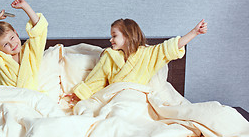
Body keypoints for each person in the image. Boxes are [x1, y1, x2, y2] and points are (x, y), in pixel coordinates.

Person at [71, 18, 208, 101]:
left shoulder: (147, 55)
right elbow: (96, 79)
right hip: (115, 100)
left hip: (137, 100)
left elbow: (169, 47)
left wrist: (194, 32)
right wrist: (80, 95)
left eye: (114, 36)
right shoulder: (109, 56)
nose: (110, 39)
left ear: (127, 36)